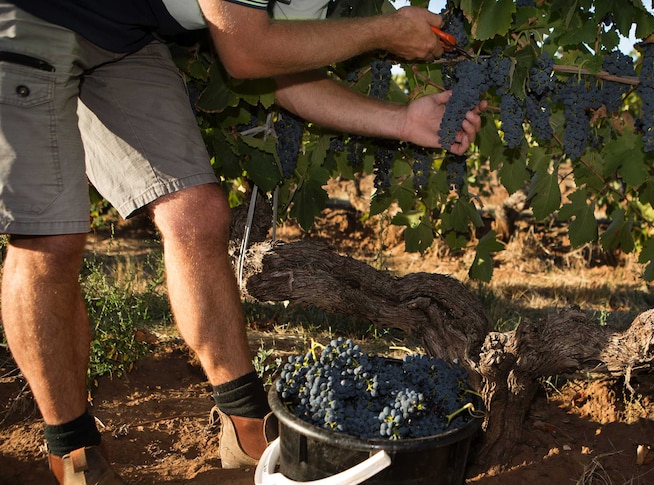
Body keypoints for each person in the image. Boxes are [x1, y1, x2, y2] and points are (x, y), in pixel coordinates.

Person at [0, 0, 487, 483]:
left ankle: (245, 420)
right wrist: (386, 31)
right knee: (51, 235)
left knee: (198, 213)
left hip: (123, 39)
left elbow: (279, 74)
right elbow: (247, 52)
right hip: (32, 15)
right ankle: (74, 451)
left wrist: (401, 120)